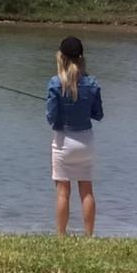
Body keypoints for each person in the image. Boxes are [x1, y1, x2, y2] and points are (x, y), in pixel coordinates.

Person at [46, 36, 104, 236]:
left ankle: (61, 236)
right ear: (81, 58)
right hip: (86, 141)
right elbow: (98, 114)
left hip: (64, 141)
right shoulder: (92, 83)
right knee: (86, 190)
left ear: (61, 57)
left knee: (63, 191)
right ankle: (89, 235)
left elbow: (52, 118)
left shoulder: (55, 83)